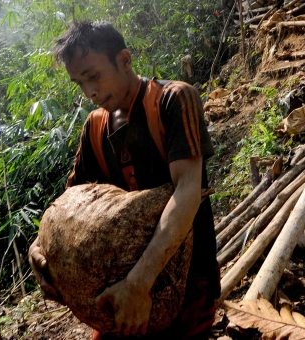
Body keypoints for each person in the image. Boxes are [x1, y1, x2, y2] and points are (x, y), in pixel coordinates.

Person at [28, 20, 220, 340]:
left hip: (185, 283)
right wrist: (39, 247)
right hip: (117, 288)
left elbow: (188, 189)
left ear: (124, 60)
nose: (89, 92)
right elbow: (69, 206)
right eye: (79, 83)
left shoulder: (172, 100)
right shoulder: (94, 127)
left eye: (93, 76)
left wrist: (139, 284)